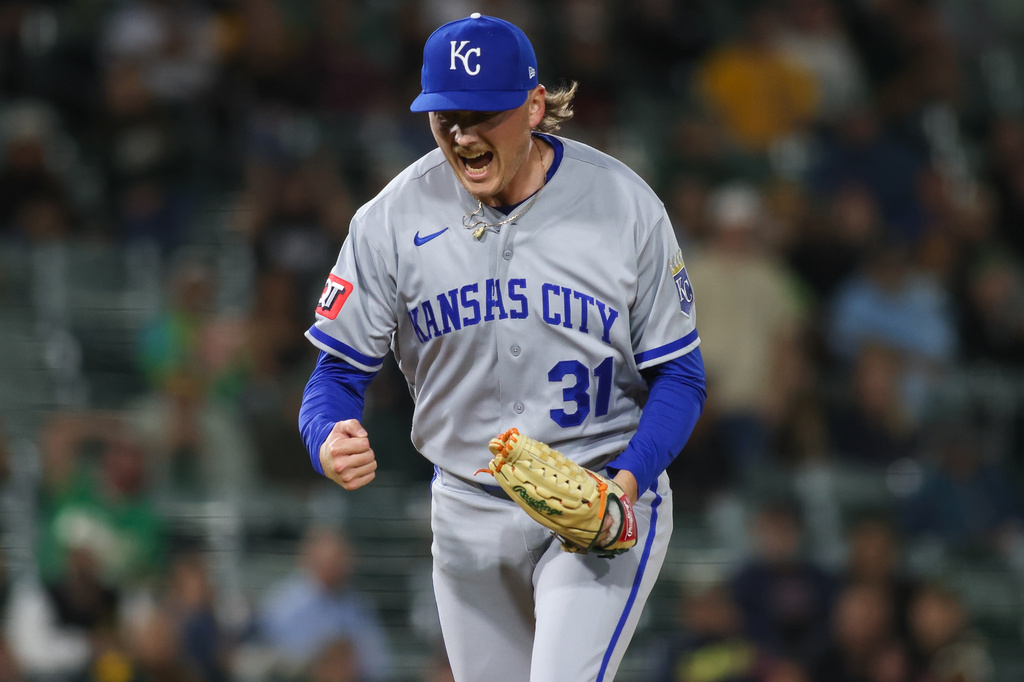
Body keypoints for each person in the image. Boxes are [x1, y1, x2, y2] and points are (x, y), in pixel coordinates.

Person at [298, 13, 706, 681]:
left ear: (535, 106)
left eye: (482, 113)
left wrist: (623, 487)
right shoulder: (391, 220)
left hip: (598, 494)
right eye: (445, 115)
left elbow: (681, 378)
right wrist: (325, 434)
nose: (461, 134)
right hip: (466, 509)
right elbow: (336, 373)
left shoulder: (623, 206)